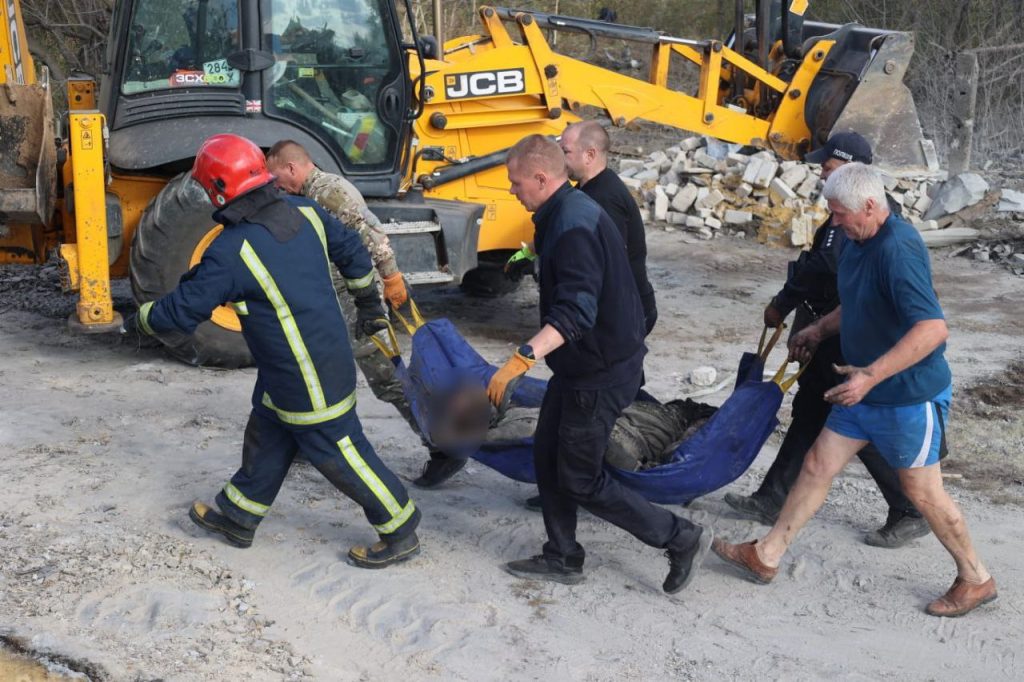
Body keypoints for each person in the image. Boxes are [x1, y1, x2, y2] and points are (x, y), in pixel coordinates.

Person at [712, 162, 997, 617]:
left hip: (907, 393)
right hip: (861, 387)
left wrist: (871, 375)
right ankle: (766, 555)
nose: (835, 221)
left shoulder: (898, 249)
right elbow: (859, 300)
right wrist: (819, 330)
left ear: (870, 206)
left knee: (922, 493)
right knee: (817, 464)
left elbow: (932, 328)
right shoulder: (855, 241)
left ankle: (975, 577)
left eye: (841, 212)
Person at [127, 134, 421, 568]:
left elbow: (183, 310)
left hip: (306, 376)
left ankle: (399, 525)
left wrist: (142, 319)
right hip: (301, 364)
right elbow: (356, 256)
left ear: (218, 191)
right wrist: (368, 306)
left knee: (337, 448)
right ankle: (239, 515)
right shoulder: (307, 212)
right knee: (268, 428)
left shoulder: (233, 249)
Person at [488, 134, 712, 593]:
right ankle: (563, 556)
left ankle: (680, 537)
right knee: (548, 457)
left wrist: (521, 359)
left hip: (600, 371)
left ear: (541, 178)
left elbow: (575, 312)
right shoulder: (561, 213)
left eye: (516, 183)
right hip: (582, 366)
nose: (512, 191)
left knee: (580, 477)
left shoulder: (573, 224)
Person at [724, 132, 930, 549]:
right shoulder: (850, 214)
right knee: (810, 411)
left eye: (828, 166)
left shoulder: (870, 223)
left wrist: (786, 304)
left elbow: (824, 266)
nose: (821, 172)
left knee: (853, 419)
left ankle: (910, 508)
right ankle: (773, 497)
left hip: (846, 336)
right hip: (832, 326)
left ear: (853, 169)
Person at [264, 141, 464, 489]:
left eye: (276, 175)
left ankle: (444, 445)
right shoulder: (316, 191)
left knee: (386, 375)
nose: (275, 183)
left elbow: (371, 233)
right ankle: (300, 438)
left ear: (293, 168)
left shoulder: (328, 193)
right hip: (335, 298)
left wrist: (391, 278)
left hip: (359, 300)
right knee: (308, 367)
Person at [516, 120, 659, 510]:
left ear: (590, 154)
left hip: (609, 333)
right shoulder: (580, 199)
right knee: (560, 444)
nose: (513, 191)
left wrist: (524, 356)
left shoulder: (598, 202)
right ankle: (564, 528)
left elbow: (586, 295)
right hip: (597, 339)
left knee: (598, 429)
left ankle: (671, 529)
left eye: (566, 151)